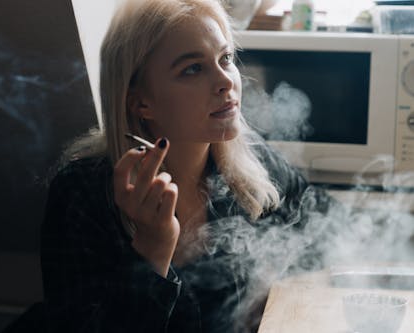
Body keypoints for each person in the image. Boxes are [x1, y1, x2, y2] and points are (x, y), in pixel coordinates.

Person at [40, 0, 335, 332]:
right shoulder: (82, 194)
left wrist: (271, 291)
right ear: (141, 103)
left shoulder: (249, 158)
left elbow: (327, 226)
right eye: (193, 68)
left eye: (225, 58)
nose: (226, 81)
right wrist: (153, 250)